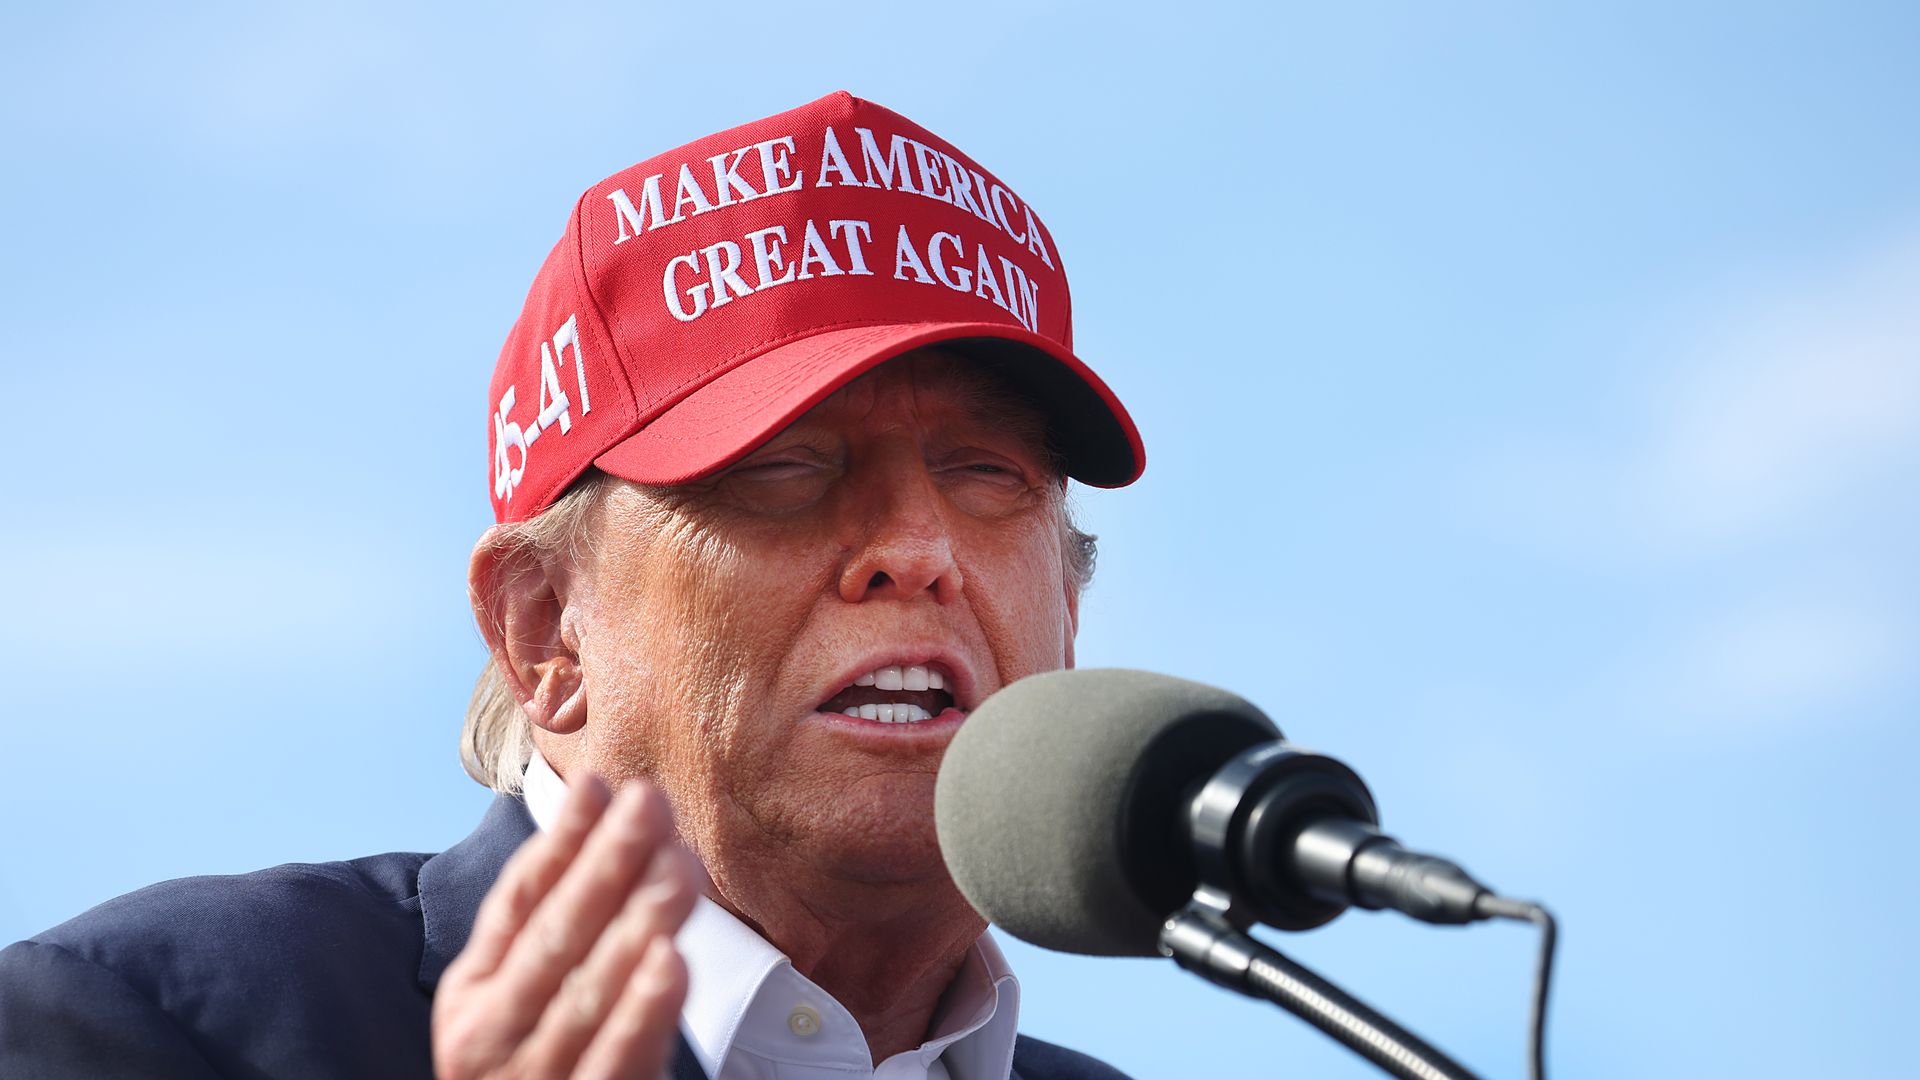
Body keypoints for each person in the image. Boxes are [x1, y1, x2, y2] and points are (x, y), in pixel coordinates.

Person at [0, 91, 1145, 1080]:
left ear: (1069, 612)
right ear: (546, 629)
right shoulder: (139, 1024)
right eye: (786, 466)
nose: (919, 545)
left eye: (987, 471)